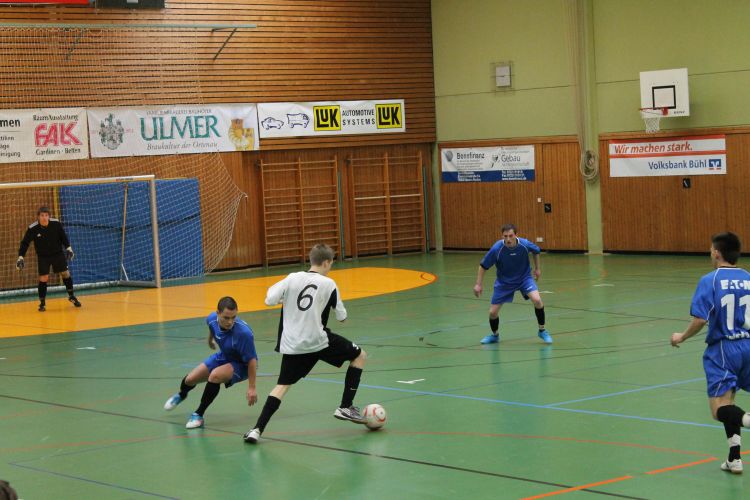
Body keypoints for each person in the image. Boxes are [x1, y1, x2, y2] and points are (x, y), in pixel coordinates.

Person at [243, 243, 367, 444]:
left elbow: (269, 300)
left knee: (282, 386)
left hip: (293, 344)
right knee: (360, 355)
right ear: (326, 262)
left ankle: (256, 430)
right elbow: (342, 317)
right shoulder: (329, 284)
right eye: (331, 264)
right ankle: (345, 406)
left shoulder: (292, 278)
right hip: (319, 341)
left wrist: (287, 298)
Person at [670, 232, 750, 474]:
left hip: (724, 349)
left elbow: (700, 319)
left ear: (716, 252)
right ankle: (734, 458)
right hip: (747, 345)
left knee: (718, 410)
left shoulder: (710, 280)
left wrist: (682, 336)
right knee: (729, 403)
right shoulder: (748, 277)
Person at [164, 296, 258, 428]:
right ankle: (182, 394)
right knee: (190, 379)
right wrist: (210, 340)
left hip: (242, 365)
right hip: (225, 355)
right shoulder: (212, 318)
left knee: (215, 376)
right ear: (218, 313)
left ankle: (198, 414)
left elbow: (252, 361)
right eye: (226, 317)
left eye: (233, 317)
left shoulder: (243, 334)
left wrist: (252, 387)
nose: (230, 322)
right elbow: (212, 328)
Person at [473, 223, 552, 344]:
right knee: (492, 313)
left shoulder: (524, 244)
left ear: (516, 235)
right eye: (505, 236)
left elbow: (536, 251)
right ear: (502, 236)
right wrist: (478, 284)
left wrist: (537, 269)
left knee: (537, 300)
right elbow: (483, 266)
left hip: (524, 279)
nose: (508, 239)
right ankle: (495, 335)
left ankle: (542, 330)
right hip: (504, 282)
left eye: (511, 236)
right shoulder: (497, 249)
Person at [16, 206, 81, 312]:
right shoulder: (33, 228)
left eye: (46, 215)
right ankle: (42, 303)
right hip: (43, 256)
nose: (44, 218)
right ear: (38, 217)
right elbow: (25, 243)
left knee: (65, 273)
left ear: (49, 216)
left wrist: (69, 248)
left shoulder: (56, 224)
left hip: (57, 254)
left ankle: (71, 296)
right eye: (42, 215)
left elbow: (63, 237)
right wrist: (20, 257)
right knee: (44, 278)